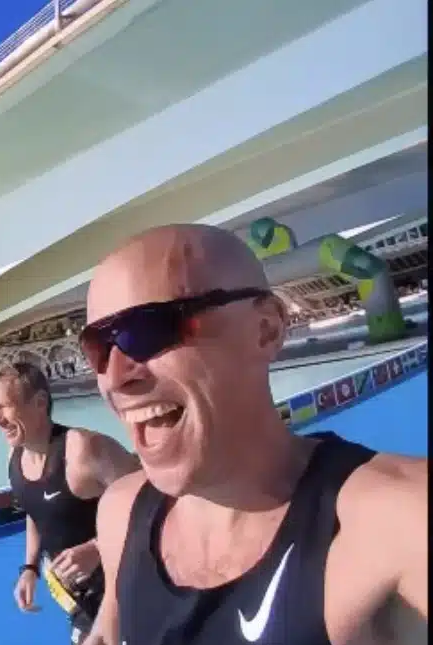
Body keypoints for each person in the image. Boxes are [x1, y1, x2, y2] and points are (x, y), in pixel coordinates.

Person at [80, 224, 427, 644]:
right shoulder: (120, 514)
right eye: (97, 348)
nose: (115, 377)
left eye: (148, 330)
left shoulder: (399, 521)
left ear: (266, 329)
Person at [0, 362, 139, 644]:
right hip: (81, 600)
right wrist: (30, 568)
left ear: (40, 402)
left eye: (4, 407)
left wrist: (98, 548)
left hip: (130, 589)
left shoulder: (83, 450)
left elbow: (151, 502)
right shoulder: (15, 458)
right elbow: (35, 512)